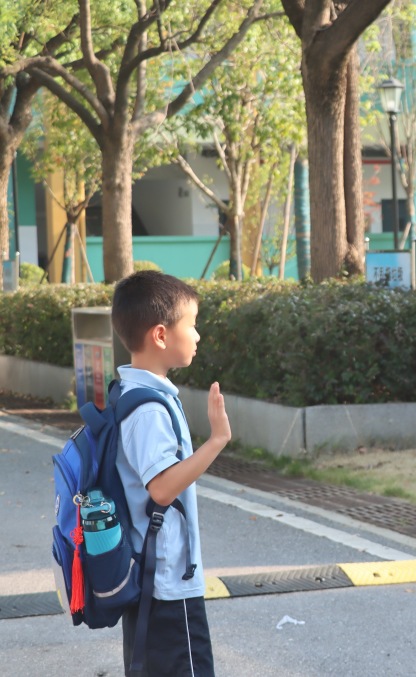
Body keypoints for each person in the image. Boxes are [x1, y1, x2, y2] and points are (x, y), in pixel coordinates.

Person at [111, 270, 232, 676]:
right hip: (165, 583)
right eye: (192, 326)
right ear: (161, 335)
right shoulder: (148, 408)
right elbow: (161, 488)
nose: (197, 336)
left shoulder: (138, 393)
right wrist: (215, 442)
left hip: (154, 578)